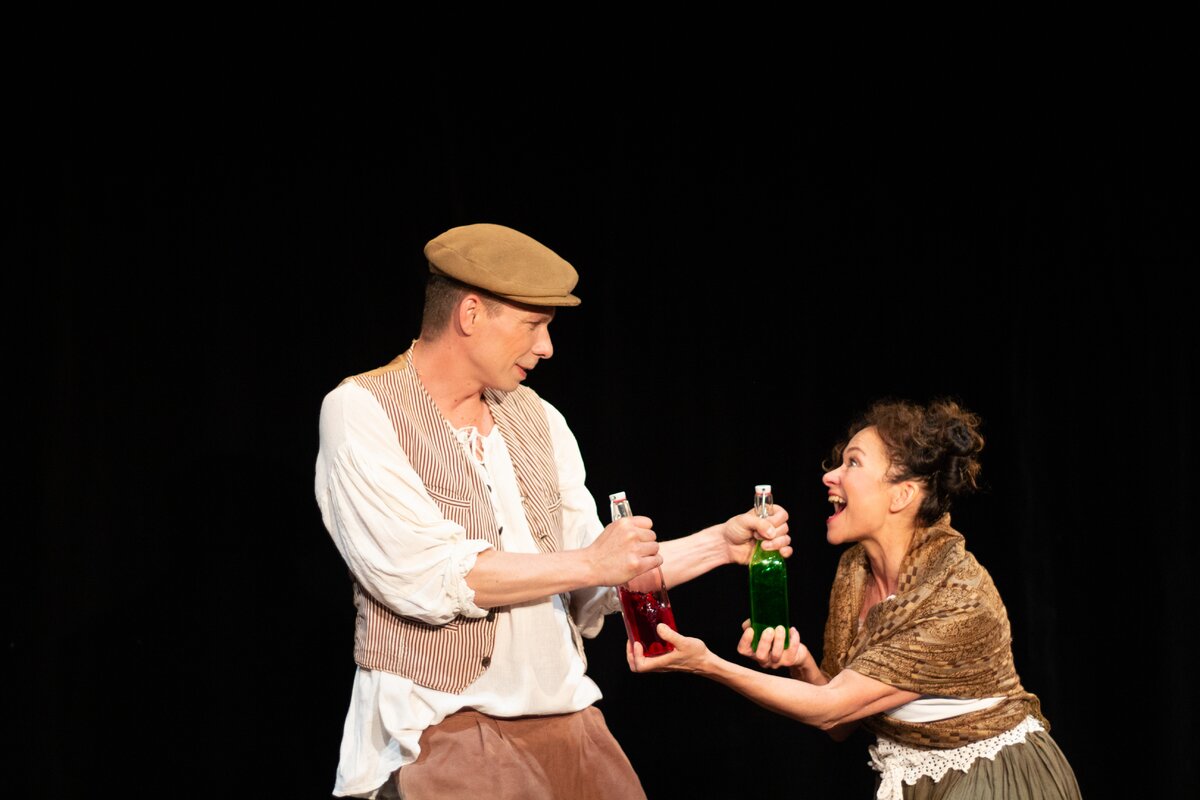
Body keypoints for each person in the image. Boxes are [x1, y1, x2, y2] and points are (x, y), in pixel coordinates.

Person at [313, 222, 791, 799]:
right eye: (533, 325)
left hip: (570, 716)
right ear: (470, 314)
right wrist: (593, 563)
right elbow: (428, 576)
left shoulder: (539, 418)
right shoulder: (363, 410)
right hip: (448, 725)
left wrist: (718, 544)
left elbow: (596, 573)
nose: (547, 347)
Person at [627, 398, 1082, 799]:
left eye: (853, 463)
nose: (830, 475)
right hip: (919, 780)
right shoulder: (855, 570)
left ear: (902, 495)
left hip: (996, 777)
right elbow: (843, 723)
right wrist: (802, 662)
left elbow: (831, 710)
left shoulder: (956, 597)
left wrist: (705, 664)